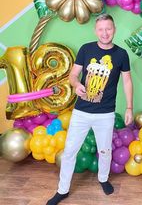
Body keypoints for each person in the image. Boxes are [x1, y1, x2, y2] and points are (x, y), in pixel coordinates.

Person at [46, 14, 133, 205]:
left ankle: (103, 178)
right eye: (101, 29)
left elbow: (127, 81)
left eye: (108, 28)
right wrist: (76, 84)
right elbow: (73, 75)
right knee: (69, 151)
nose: (105, 33)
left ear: (114, 30)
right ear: (96, 31)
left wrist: (129, 107)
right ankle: (63, 190)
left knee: (104, 151)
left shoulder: (121, 54)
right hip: (81, 112)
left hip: (106, 113)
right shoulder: (86, 49)